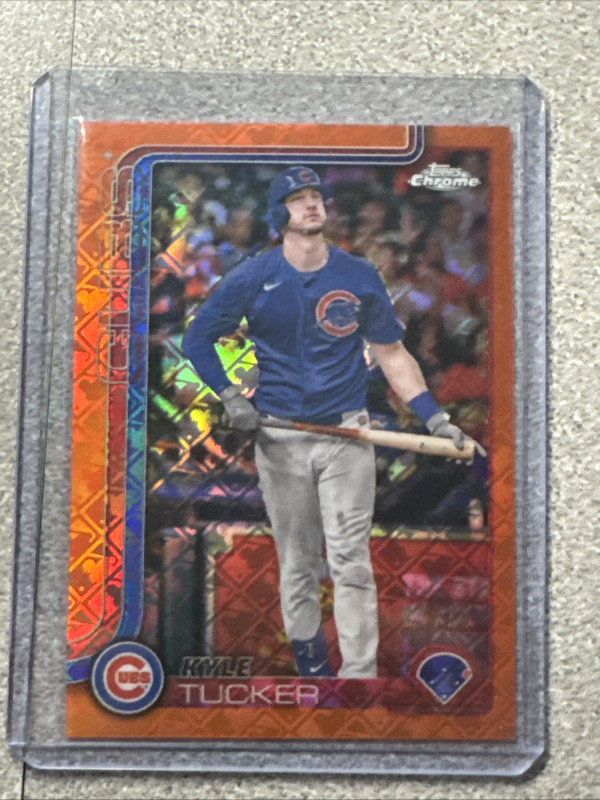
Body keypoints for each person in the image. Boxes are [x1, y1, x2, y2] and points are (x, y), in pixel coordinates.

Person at [182, 166, 475, 679]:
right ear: (279, 214)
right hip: (281, 437)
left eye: (316, 195)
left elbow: (392, 353)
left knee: (350, 559)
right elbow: (196, 338)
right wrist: (229, 395)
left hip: (348, 434)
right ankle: (312, 666)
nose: (312, 204)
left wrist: (436, 419)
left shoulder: (358, 273)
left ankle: (358, 675)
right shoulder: (253, 274)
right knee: (298, 562)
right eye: (298, 198)